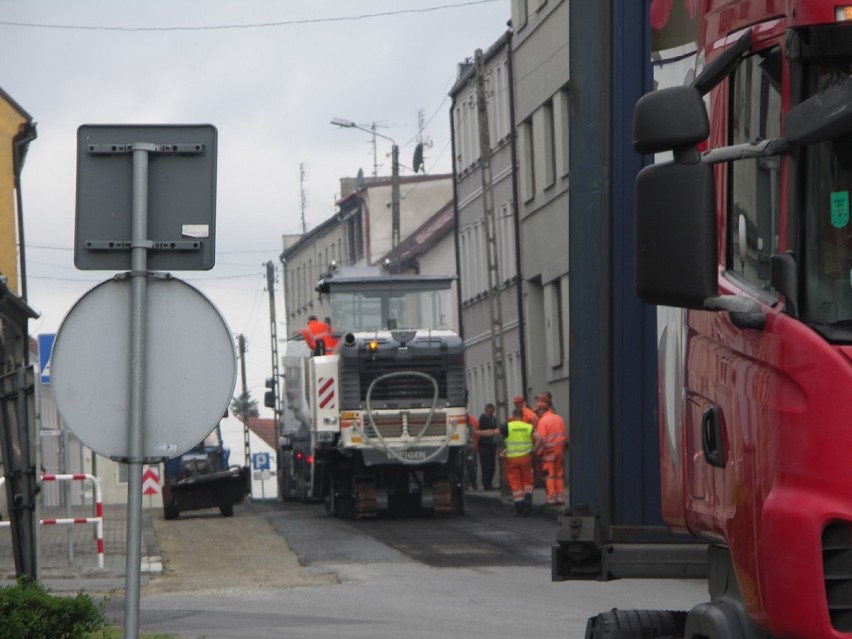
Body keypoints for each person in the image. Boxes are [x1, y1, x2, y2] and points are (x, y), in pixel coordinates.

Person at [500, 407, 542, 516]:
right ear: (522, 416)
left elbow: (495, 433)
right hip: (526, 458)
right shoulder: (528, 427)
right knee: (527, 479)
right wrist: (534, 449)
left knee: (515, 482)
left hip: (512, 459)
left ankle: (519, 507)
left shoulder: (507, 426)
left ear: (513, 416)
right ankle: (528, 498)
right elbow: (539, 438)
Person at [534, 401, 568, 505]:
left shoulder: (543, 421)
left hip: (549, 452)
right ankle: (560, 496)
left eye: (537, 412)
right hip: (560, 450)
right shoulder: (559, 418)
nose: (536, 414)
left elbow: (541, 439)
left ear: (541, 410)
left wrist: (537, 453)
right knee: (559, 475)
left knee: (549, 475)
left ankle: (551, 497)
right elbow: (564, 435)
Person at [477, 403, 501, 490]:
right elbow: (488, 429)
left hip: (491, 445)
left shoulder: (493, 419)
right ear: (486, 410)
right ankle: (486, 484)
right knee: (486, 466)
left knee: (492, 466)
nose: (491, 412)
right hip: (485, 445)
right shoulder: (483, 419)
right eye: (489, 410)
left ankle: (490, 482)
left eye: (492, 410)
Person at [465, 412, 480, 490]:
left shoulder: (472, 420)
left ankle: (473, 481)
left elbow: (477, 433)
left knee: (473, 467)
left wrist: (476, 445)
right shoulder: (458, 421)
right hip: (463, 448)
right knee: (465, 467)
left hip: (472, 448)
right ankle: (466, 484)